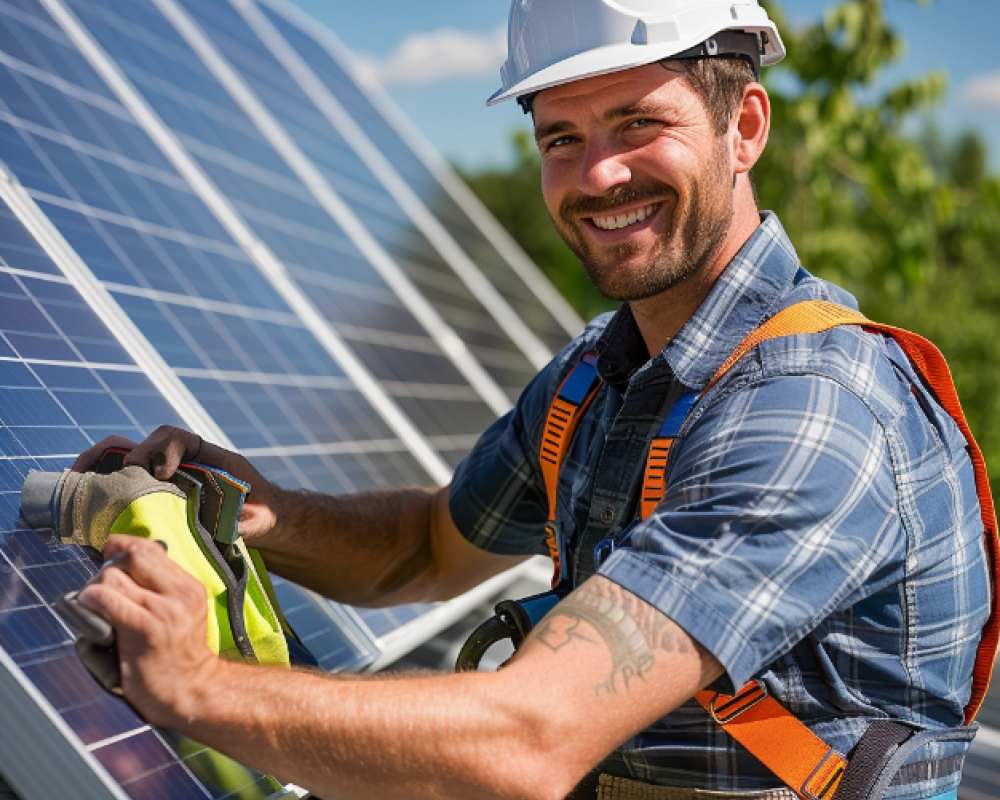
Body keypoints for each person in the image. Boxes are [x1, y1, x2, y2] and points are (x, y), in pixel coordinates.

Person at [71, 1, 992, 799]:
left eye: (639, 124)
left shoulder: (813, 412)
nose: (598, 175)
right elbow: (424, 548)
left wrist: (198, 687)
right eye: (563, 138)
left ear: (745, 126)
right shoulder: (598, 375)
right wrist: (254, 509)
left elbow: (527, 740)